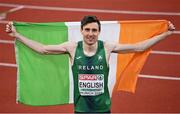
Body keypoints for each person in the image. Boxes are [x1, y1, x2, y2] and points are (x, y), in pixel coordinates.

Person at [6, 16, 175, 113]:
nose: (90, 34)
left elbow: (139, 47)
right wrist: (17, 35)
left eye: (94, 30)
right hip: (81, 110)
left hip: (103, 110)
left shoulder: (107, 47)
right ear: (81, 31)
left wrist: (165, 34)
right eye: (87, 30)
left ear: (99, 32)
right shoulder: (72, 48)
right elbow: (42, 49)